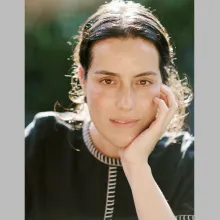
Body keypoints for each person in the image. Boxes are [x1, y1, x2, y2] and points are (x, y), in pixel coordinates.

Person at [25, 0, 194, 219]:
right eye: (107, 81)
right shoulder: (42, 142)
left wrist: (137, 166)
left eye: (142, 82)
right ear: (83, 79)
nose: (126, 103)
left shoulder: (188, 164)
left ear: (164, 85)